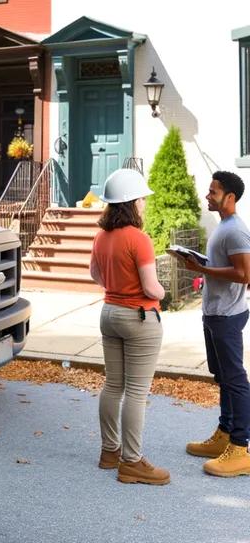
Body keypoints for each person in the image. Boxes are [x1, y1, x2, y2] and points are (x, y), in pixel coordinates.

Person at [90, 168, 169, 485]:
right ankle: (132, 462)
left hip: (110, 313)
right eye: (142, 199)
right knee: (136, 393)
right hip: (139, 318)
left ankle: (110, 452)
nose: (144, 204)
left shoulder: (101, 236)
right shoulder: (139, 239)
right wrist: (163, 292)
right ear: (131, 202)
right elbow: (151, 288)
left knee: (113, 385)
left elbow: (95, 276)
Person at [171, 171, 250, 477]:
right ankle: (225, 434)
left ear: (230, 198)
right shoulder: (223, 228)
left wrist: (203, 268)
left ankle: (241, 447)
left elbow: (245, 275)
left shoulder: (236, 231)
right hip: (215, 312)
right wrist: (200, 265)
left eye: (214, 192)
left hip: (227, 315)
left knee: (235, 379)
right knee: (222, 377)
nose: (207, 195)